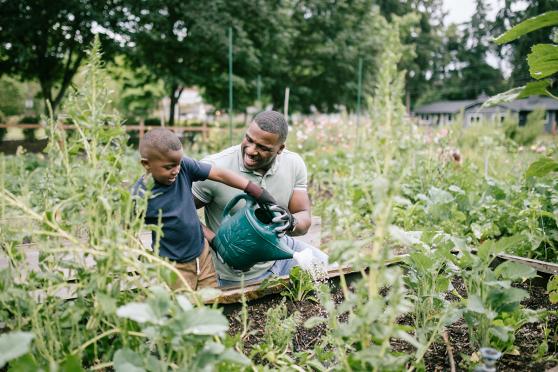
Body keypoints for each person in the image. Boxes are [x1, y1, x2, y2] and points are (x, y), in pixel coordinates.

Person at [192, 110, 328, 287]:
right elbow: (180, 209)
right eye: (249, 140)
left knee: (327, 270)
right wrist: (215, 241)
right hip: (238, 271)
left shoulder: (293, 164)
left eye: (263, 148)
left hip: (279, 252)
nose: (251, 150)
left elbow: (303, 217)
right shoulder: (216, 168)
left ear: (280, 149)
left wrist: (291, 221)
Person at [132, 128, 276, 291]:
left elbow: (219, 174)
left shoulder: (183, 168)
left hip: (203, 254)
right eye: (169, 167)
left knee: (212, 298)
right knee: (183, 307)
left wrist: (253, 189)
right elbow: (128, 230)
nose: (176, 170)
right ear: (146, 164)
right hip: (174, 266)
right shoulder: (141, 196)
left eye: (178, 163)